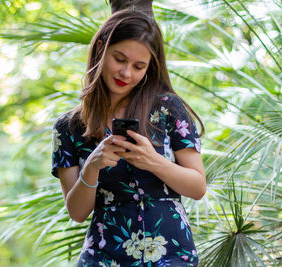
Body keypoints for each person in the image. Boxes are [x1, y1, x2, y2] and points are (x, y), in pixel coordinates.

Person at [51, 9, 206, 267]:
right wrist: (92, 166)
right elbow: (77, 213)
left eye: (138, 66)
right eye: (119, 59)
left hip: (171, 254)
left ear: (149, 68)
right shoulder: (68, 127)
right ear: (101, 48)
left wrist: (152, 161)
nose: (126, 73)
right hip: (103, 256)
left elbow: (197, 187)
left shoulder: (168, 108)